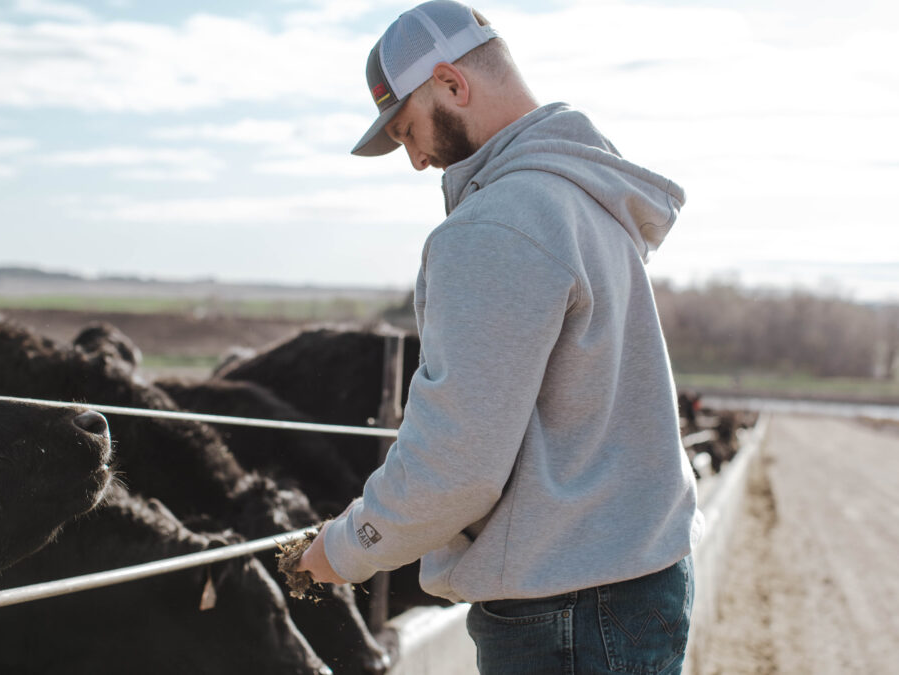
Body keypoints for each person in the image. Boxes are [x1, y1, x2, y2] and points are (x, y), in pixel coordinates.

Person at [297, 2, 703, 672]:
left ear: (453, 85)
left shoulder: (497, 226)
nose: (417, 161)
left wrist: (341, 549)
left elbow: (455, 465)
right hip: (639, 577)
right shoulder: (584, 198)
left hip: (566, 611)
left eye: (407, 131)